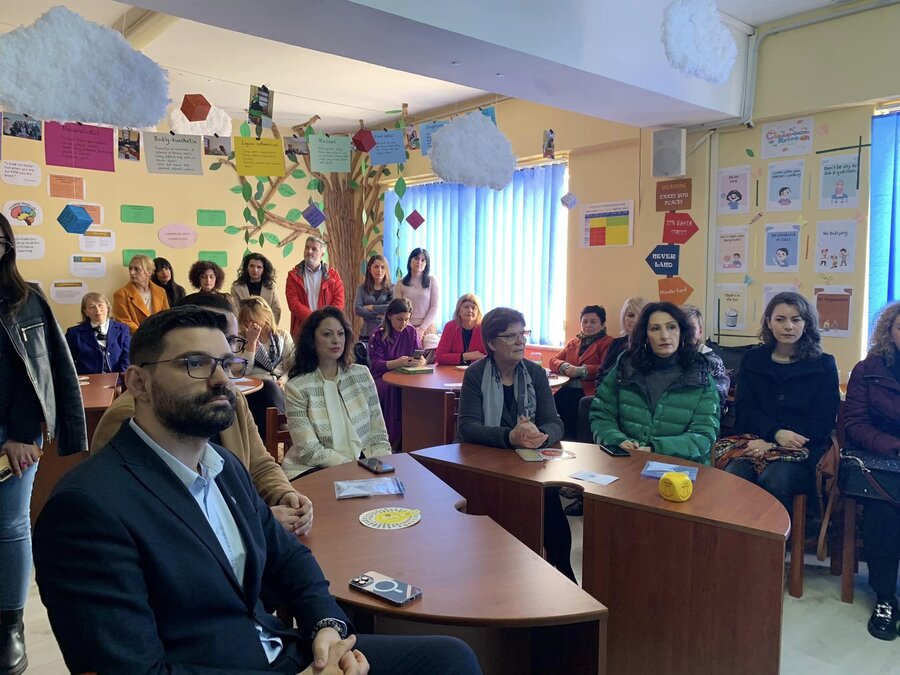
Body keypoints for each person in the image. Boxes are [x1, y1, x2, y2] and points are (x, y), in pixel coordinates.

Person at [33, 306, 481, 675]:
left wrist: (326, 628)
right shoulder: (87, 507)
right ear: (138, 384)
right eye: (195, 364)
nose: (221, 381)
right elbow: (134, 668)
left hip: (284, 650)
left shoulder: (223, 465)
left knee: (449, 658)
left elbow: (290, 560)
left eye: (226, 364)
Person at [92, 292, 313, 539]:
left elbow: (260, 464)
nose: (221, 376)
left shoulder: (232, 399)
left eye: (230, 341)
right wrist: (255, 521)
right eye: (196, 361)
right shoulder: (128, 416)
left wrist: (286, 495)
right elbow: (149, 524)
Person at [0, 214, 87, 675]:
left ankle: (9, 626)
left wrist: (23, 433)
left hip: (11, 435)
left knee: (10, 524)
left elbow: (43, 368)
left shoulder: (27, 298)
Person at [456, 307, 573, 581]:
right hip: (486, 465)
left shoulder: (535, 373)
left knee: (550, 505)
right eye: (511, 336)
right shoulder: (475, 374)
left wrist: (539, 434)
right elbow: (467, 427)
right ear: (492, 343)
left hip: (529, 465)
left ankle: (565, 575)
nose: (521, 341)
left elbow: (555, 423)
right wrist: (510, 436)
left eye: (523, 333)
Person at [723, 292, 839, 514]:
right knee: (734, 476)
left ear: (806, 324)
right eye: (780, 319)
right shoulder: (752, 359)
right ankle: (738, 534)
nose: (788, 326)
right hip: (755, 443)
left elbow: (822, 421)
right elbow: (746, 412)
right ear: (769, 322)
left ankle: (777, 536)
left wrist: (777, 443)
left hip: (802, 451)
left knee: (773, 481)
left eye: (796, 320)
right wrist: (773, 434)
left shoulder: (823, 364)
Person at [590, 302, 720, 464]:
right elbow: (602, 414)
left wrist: (654, 449)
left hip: (681, 469)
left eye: (671, 327)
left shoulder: (699, 374)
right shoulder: (626, 367)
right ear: (645, 335)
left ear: (682, 332)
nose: (664, 335)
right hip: (627, 461)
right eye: (655, 329)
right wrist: (617, 441)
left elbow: (704, 435)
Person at [842, 301, 900, 641]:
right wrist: (894, 446)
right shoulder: (868, 369)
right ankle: (886, 597)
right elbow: (855, 424)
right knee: (884, 514)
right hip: (880, 461)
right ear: (889, 331)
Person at [283, 307, 391, 478]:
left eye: (340, 334)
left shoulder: (361, 374)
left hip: (364, 463)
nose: (336, 340)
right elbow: (309, 450)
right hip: (314, 469)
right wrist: (352, 468)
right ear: (312, 340)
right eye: (327, 334)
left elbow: (378, 434)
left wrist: (381, 466)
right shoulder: (296, 387)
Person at [549, 305, 613, 440]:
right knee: (550, 404)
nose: (588, 325)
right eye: (585, 322)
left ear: (602, 324)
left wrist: (581, 371)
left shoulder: (608, 343)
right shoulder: (573, 343)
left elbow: (607, 368)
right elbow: (553, 361)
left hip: (589, 392)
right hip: (567, 389)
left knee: (575, 411)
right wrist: (564, 366)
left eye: (593, 322)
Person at [369, 298, 425, 450]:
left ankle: (416, 437)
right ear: (389, 316)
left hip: (406, 375)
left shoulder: (411, 331)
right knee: (392, 389)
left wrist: (421, 361)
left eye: (407, 319)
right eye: (400, 319)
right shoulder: (378, 334)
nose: (403, 323)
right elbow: (376, 365)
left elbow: (419, 353)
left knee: (419, 389)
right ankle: (392, 440)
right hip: (382, 377)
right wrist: (397, 363)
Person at [239, 297, 294, 436]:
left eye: (253, 320)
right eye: (245, 321)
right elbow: (244, 370)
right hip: (254, 387)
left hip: (280, 386)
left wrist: (283, 381)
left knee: (271, 392)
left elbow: (292, 367)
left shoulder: (282, 336)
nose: (249, 325)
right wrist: (251, 343)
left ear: (264, 317)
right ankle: (283, 426)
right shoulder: (240, 339)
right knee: (267, 390)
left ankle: (272, 440)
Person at [285, 235, 345, 339]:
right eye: (307, 247)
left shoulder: (334, 276)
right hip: (302, 329)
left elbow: (339, 302)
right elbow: (293, 303)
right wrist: (313, 319)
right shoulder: (293, 275)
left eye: (314, 249)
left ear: (322, 254)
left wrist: (323, 320)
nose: (309, 251)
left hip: (327, 329)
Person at [64, 292, 130, 374]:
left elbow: (127, 357)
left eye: (101, 305)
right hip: (87, 379)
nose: (98, 310)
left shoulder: (122, 329)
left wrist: (120, 377)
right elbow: (67, 362)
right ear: (85, 311)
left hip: (118, 378)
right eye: (92, 307)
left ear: (108, 308)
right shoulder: (74, 333)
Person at [681, 304, 730, 410]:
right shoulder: (668, 358)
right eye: (681, 327)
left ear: (700, 332)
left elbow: (717, 401)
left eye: (691, 328)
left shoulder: (712, 361)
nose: (686, 332)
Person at [595, 296, 647, 387]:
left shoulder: (653, 344)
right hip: (610, 392)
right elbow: (602, 374)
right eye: (631, 315)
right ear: (623, 318)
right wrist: (600, 392)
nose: (635, 320)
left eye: (641, 316)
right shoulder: (616, 343)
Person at [113, 253, 170, 334]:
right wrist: (144, 334)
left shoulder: (161, 291)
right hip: (136, 338)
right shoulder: (121, 294)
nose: (132, 272)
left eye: (136, 269)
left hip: (159, 336)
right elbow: (123, 321)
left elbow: (167, 316)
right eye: (130, 269)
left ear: (149, 272)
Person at [394, 248, 439, 341]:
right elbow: (397, 309)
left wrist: (422, 328)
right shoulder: (400, 283)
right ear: (410, 261)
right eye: (416, 258)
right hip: (404, 326)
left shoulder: (432, 281)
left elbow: (434, 307)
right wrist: (410, 328)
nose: (419, 262)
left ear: (426, 264)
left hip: (427, 327)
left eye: (423, 260)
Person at [232, 252, 283, 325]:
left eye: (259, 267)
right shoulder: (237, 287)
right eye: (252, 266)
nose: (255, 270)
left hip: (267, 327)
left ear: (264, 269)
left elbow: (276, 310)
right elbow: (235, 311)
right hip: (244, 327)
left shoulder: (271, 287)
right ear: (247, 267)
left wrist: (270, 328)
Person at [435, 293, 486, 366]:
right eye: (466, 307)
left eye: (473, 308)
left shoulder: (484, 328)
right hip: (452, 370)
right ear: (458, 311)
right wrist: (467, 356)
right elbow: (439, 357)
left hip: (478, 370)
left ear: (478, 312)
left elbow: (490, 357)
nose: (470, 310)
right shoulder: (450, 326)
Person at [353, 254, 393, 341]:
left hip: (386, 333)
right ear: (369, 269)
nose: (379, 270)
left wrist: (371, 307)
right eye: (376, 267)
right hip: (366, 332)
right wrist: (378, 315)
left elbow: (391, 308)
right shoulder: (362, 288)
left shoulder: (392, 288)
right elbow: (357, 309)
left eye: (383, 267)